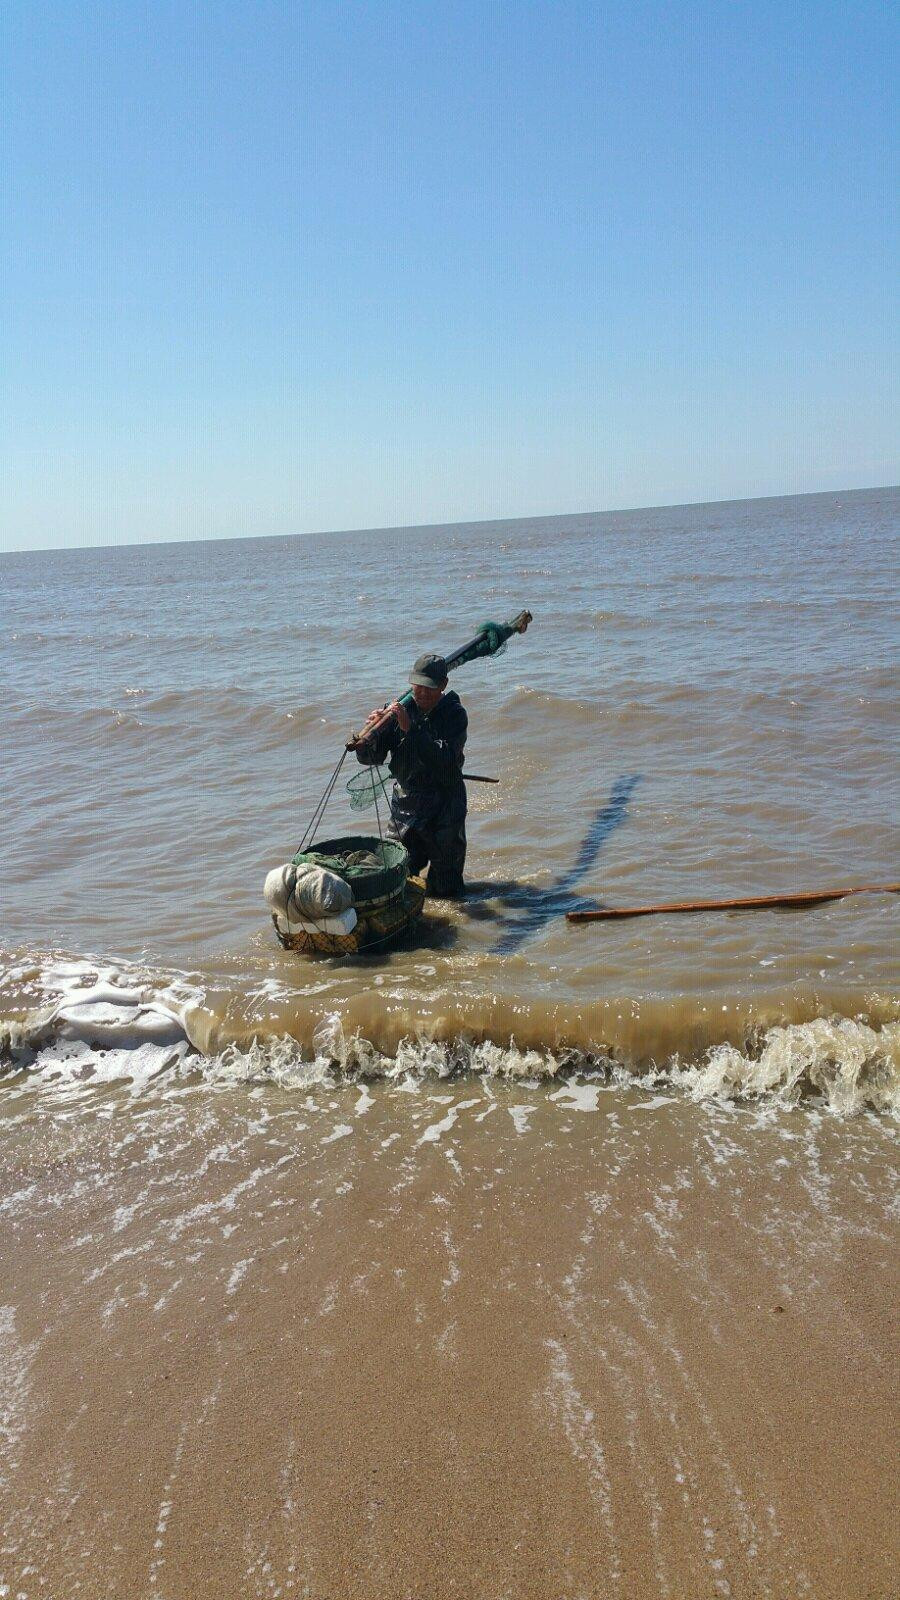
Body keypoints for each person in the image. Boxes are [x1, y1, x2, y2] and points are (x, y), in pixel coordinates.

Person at [350, 653, 468, 898]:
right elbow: (374, 759)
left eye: (430, 687)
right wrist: (367, 741)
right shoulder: (398, 710)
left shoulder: (455, 714)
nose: (422, 693)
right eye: (418, 686)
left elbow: (444, 761)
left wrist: (410, 730)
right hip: (406, 804)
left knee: (446, 890)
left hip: (445, 805)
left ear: (443, 685)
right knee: (398, 876)